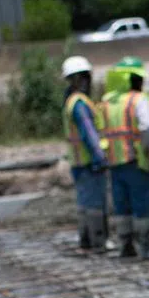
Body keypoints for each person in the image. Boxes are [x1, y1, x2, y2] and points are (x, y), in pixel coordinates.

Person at [100, 56, 149, 259]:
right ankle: (143, 248)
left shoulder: (108, 101)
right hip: (136, 161)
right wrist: (145, 148)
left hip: (115, 162)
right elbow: (148, 126)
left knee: (121, 205)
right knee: (141, 204)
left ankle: (125, 246)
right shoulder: (138, 100)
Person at [62, 55, 109, 253]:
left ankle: (86, 240)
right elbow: (89, 133)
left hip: (78, 162)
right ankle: (96, 242)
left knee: (84, 203)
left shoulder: (70, 101)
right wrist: (100, 157)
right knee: (94, 204)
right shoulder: (80, 104)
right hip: (89, 163)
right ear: (81, 78)